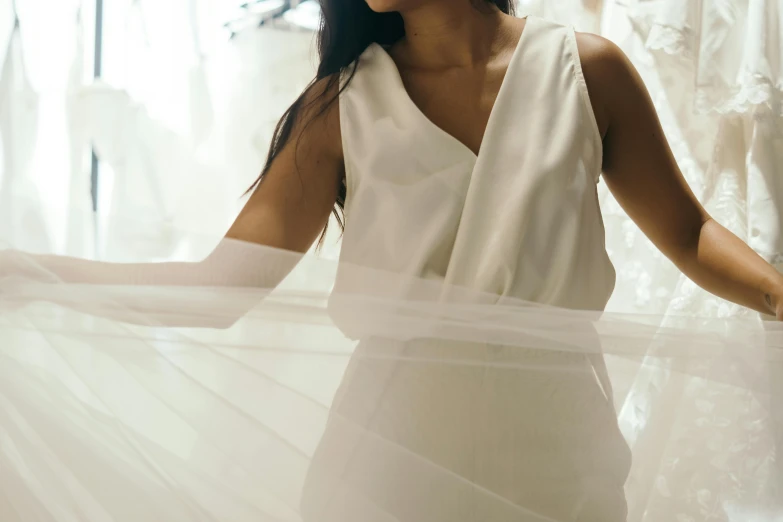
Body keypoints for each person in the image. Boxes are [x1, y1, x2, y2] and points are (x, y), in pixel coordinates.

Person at [1, 1, 782, 521]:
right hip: (387, 466)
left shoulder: (588, 69)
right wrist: (31, 272)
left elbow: (686, 233)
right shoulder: (339, 106)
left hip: (560, 456)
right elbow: (216, 290)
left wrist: (777, 294)